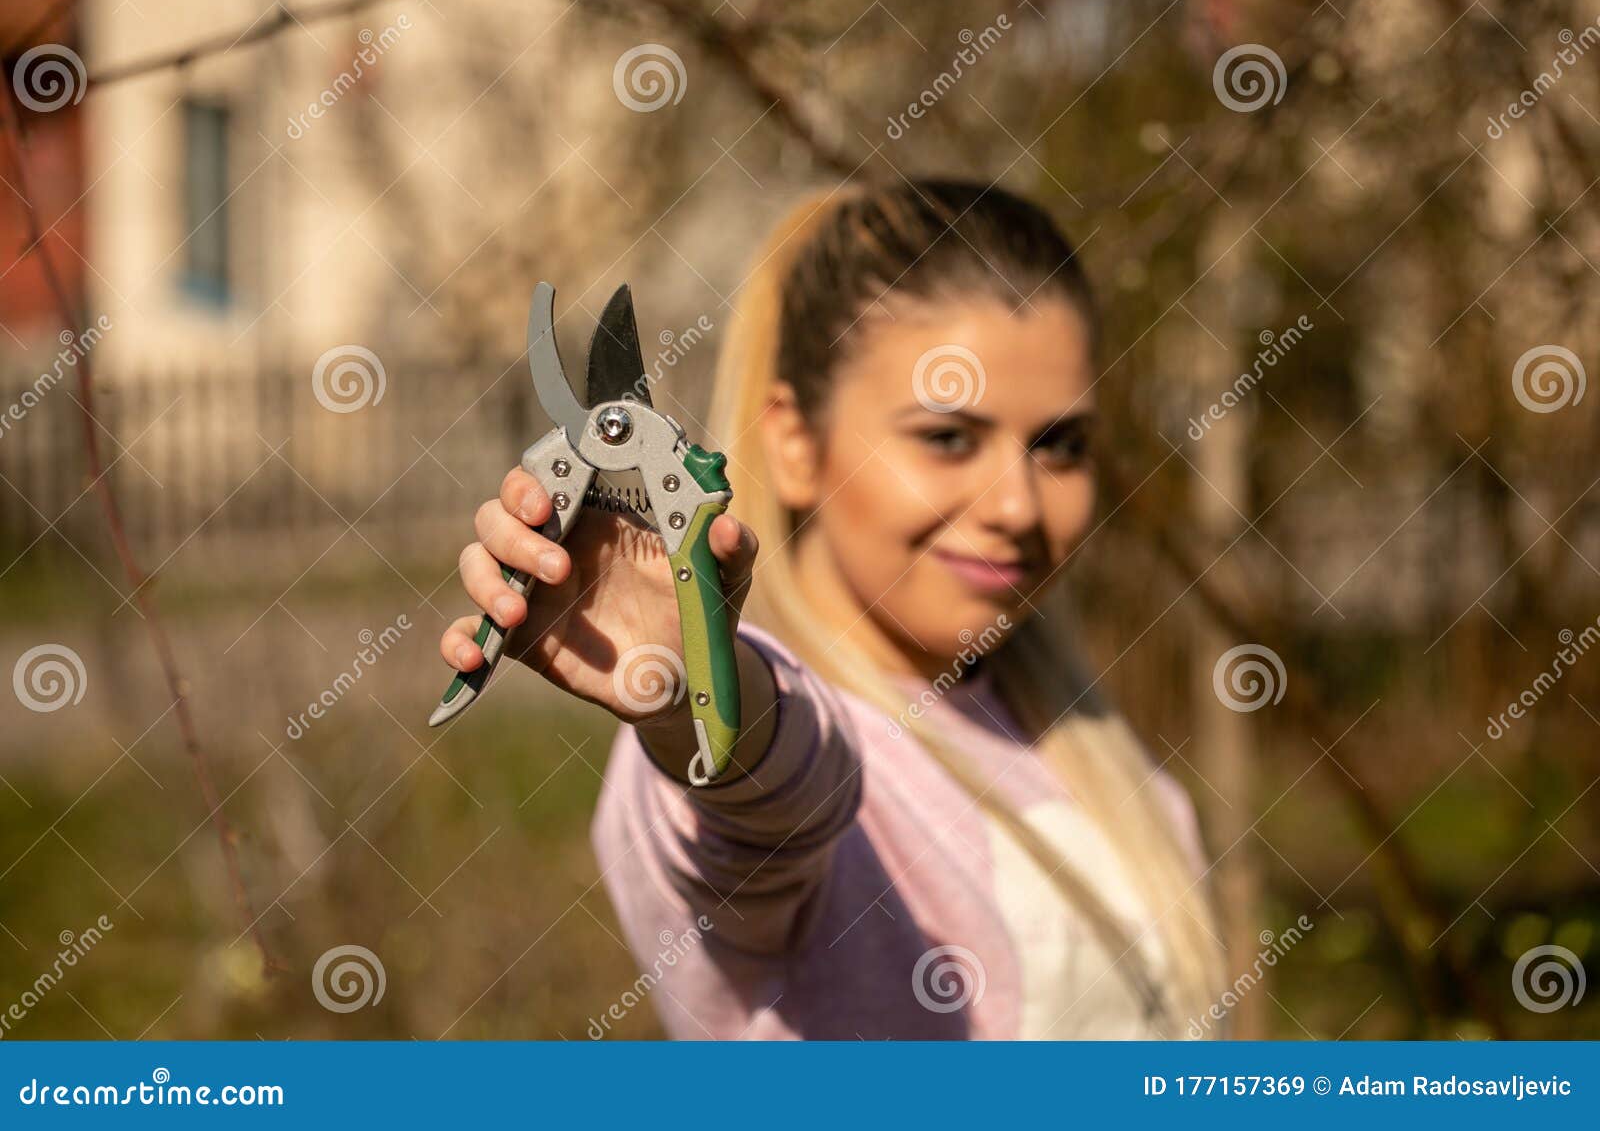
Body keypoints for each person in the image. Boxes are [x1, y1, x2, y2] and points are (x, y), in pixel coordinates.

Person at [437, 178, 1225, 1039]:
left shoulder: (1087, 746)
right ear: (794, 444)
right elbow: (771, 799)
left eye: (1059, 445)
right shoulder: (773, 739)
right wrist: (689, 683)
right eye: (949, 437)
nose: (1019, 508)